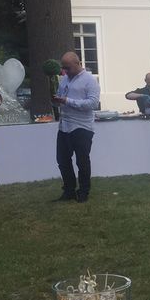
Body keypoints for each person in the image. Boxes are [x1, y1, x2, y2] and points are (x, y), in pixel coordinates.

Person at [53, 51, 100, 203]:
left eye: (68, 67)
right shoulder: (64, 80)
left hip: (82, 126)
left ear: (77, 63)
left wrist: (68, 101)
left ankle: (84, 191)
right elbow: (61, 98)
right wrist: (57, 100)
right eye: (64, 68)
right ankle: (69, 190)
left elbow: (92, 104)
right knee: (63, 160)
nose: (66, 71)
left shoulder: (90, 80)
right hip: (64, 125)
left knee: (82, 161)